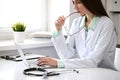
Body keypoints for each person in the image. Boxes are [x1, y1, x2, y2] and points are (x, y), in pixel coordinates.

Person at [37, 0, 117, 70]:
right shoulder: (76, 23)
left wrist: (58, 63)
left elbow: (94, 61)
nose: (75, 7)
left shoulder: (106, 24)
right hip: (83, 71)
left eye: (79, 2)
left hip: (103, 74)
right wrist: (58, 30)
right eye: (73, 2)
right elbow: (67, 55)